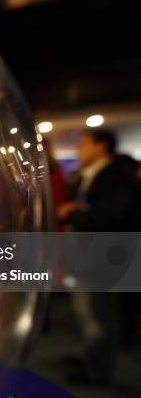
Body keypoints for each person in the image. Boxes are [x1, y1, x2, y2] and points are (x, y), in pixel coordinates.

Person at [57, 129, 138, 384]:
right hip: (83, 256)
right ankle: (91, 357)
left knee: (99, 314)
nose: (79, 149)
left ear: (101, 147)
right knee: (87, 313)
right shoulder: (85, 177)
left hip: (101, 257)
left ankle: (99, 371)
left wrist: (72, 214)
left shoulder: (116, 176)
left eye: (83, 144)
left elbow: (109, 217)